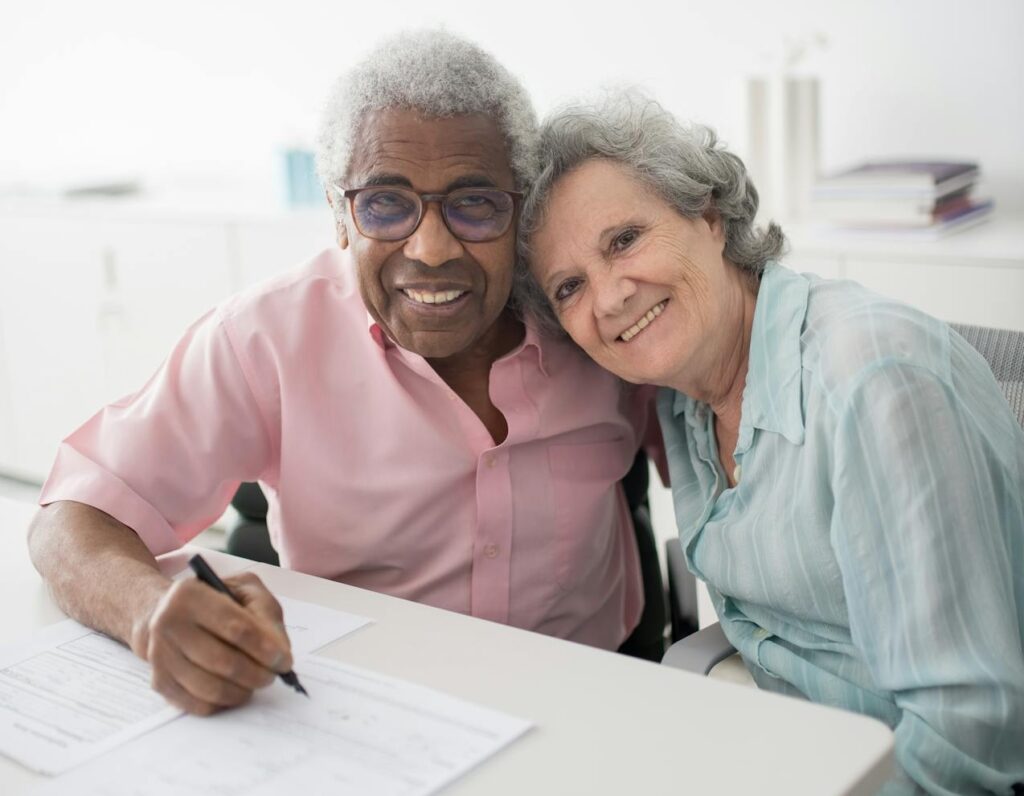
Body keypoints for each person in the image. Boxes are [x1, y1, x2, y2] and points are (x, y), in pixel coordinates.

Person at [27, 32, 661, 719]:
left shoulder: (599, 315)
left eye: (475, 203)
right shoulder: (264, 338)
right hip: (358, 717)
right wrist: (148, 612)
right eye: (385, 204)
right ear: (338, 215)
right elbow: (74, 517)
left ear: (521, 210)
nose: (431, 247)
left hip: (592, 703)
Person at [520, 91, 1024, 795]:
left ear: (709, 215)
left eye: (625, 240)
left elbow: (970, 731)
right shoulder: (684, 394)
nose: (609, 299)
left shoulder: (872, 384)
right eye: (570, 286)